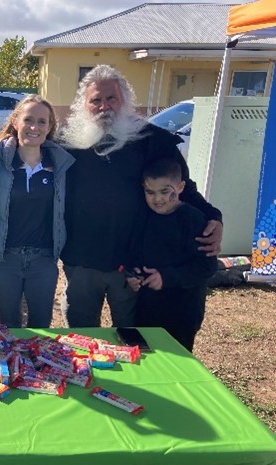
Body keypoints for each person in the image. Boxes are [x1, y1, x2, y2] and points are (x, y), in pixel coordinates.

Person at [58, 64, 223, 328]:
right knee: (81, 338)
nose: (104, 106)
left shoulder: (153, 140)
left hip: (133, 262)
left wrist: (214, 217)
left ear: (125, 100)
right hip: (81, 261)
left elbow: (183, 187)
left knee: (132, 338)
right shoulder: (66, 143)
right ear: (84, 105)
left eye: (111, 98)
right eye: (96, 100)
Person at [0, 95, 74, 327]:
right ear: (15, 122)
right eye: (28, 119)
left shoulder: (61, 165)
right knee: (9, 325)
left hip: (43, 261)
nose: (34, 127)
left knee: (41, 326)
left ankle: (37, 365)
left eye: (42, 122)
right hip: (4, 259)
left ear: (50, 127)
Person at [126, 158, 218, 351]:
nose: (157, 199)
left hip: (182, 311)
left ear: (181, 186)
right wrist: (132, 275)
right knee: (146, 360)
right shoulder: (143, 216)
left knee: (176, 363)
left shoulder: (193, 220)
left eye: (165, 191)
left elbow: (206, 266)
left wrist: (166, 278)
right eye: (150, 192)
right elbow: (135, 254)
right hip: (147, 309)